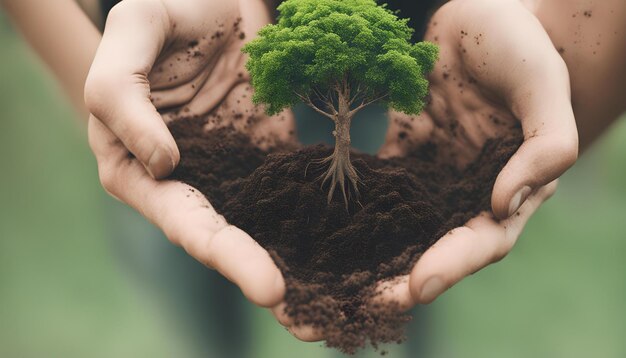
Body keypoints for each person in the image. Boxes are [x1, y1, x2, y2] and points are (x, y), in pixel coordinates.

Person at [2, 0, 624, 351]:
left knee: (404, 270)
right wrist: (95, 75)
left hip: (426, 64)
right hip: (186, 66)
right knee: (189, 270)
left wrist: (562, 58)